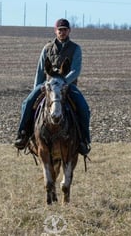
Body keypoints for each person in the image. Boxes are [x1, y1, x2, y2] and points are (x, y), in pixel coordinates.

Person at [14, 18, 91, 156]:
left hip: (67, 86)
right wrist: (36, 89)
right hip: (47, 86)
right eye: (60, 30)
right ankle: (23, 135)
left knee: (84, 108)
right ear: (55, 31)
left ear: (69, 31)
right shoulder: (47, 48)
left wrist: (62, 82)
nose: (62, 32)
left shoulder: (75, 49)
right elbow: (40, 70)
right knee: (27, 103)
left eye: (65, 30)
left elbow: (76, 70)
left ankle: (84, 141)